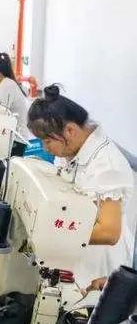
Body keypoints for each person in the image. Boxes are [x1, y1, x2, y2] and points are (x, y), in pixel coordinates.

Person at [27, 85, 135, 292]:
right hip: (77, 251)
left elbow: (109, 232)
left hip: (102, 266)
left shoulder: (107, 166)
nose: (45, 148)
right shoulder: (71, 150)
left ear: (70, 130)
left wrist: (50, 233)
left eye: (48, 141)